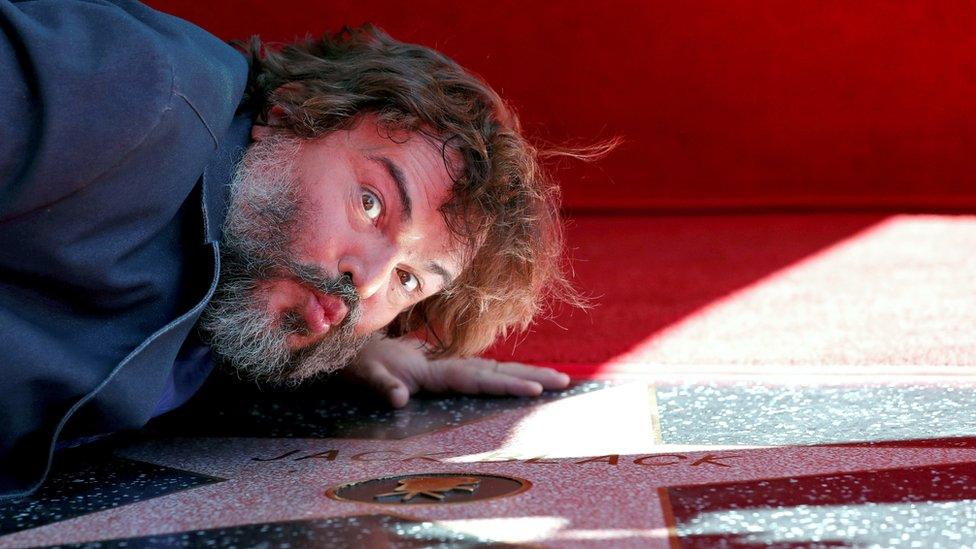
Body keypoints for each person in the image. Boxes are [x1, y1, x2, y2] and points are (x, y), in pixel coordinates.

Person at [0, 0, 603, 500]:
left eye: (410, 280)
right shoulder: (133, 91)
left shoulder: (253, 279)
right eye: (371, 204)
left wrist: (342, 360)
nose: (365, 283)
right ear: (290, 114)